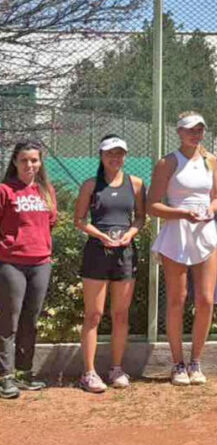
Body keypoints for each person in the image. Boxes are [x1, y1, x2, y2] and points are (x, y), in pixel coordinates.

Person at [148, 111, 217, 386]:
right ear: (179, 131)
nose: (195, 134)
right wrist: (182, 213)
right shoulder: (167, 162)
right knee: (177, 300)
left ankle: (196, 362)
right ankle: (178, 364)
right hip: (176, 234)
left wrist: (210, 210)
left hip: (205, 234)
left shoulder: (210, 160)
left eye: (199, 129)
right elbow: (152, 205)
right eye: (190, 129)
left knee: (206, 300)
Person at [73, 135, 146, 393]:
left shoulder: (136, 184)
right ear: (101, 156)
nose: (115, 158)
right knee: (93, 314)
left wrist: (130, 234)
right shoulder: (90, 185)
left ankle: (116, 369)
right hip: (96, 253)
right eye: (109, 153)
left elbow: (140, 218)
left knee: (120, 314)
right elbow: (79, 219)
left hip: (125, 254)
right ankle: (89, 373)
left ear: (125, 155)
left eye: (119, 153)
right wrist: (101, 236)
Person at [0, 141, 57, 399]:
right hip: (11, 263)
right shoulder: (5, 190)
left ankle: (24, 372)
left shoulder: (46, 191)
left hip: (40, 263)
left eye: (34, 160)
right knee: (9, 321)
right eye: (24, 160)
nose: (29, 165)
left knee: (30, 321)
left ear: (40, 162)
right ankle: (5, 377)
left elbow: (50, 222)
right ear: (15, 162)